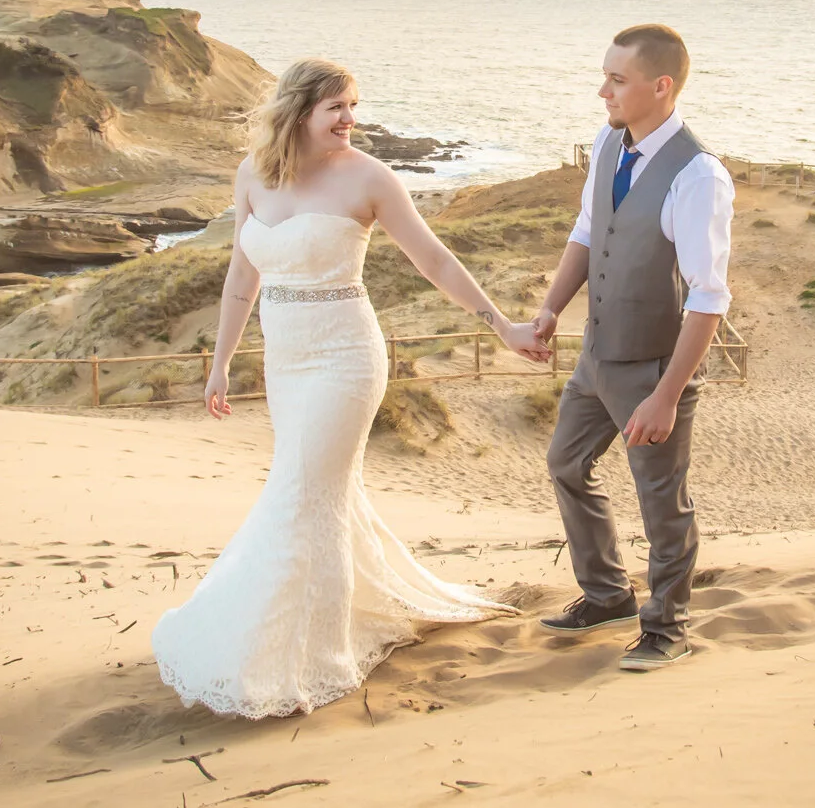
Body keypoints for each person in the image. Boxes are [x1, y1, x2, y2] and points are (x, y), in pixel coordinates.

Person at [151, 59, 533, 717]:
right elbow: (242, 280)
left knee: (304, 493)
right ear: (300, 111)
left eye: (354, 105)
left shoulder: (370, 178)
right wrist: (219, 363)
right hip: (287, 360)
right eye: (337, 107)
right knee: (319, 492)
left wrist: (499, 323)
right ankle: (315, 623)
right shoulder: (253, 175)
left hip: (346, 357)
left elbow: (434, 258)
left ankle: (316, 656)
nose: (350, 118)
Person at [530, 24, 734, 672]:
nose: (603, 91)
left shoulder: (699, 176)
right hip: (595, 355)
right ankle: (607, 592)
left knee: (661, 500)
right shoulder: (608, 142)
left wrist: (667, 394)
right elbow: (589, 230)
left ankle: (667, 625)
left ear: (660, 85)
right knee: (565, 462)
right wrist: (550, 308)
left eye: (616, 80)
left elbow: (708, 297)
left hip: (652, 366)